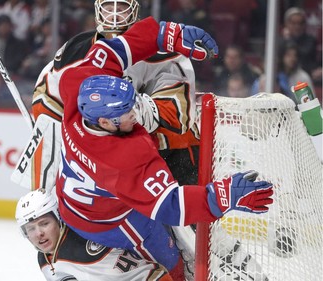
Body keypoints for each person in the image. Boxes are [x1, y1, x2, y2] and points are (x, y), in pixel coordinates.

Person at [52, 15, 273, 281]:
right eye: (125, 112)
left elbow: (113, 50)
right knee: (170, 261)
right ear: (104, 122)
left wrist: (168, 34)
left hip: (73, 200)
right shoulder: (122, 159)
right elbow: (170, 205)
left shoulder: (76, 84)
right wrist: (222, 197)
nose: (135, 113)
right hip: (106, 220)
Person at [16, 188, 173, 281]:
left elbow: (149, 274)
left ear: (58, 218)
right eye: (31, 229)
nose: (39, 234)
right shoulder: (44, 258)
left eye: (44, 223)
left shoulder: (86, 246)